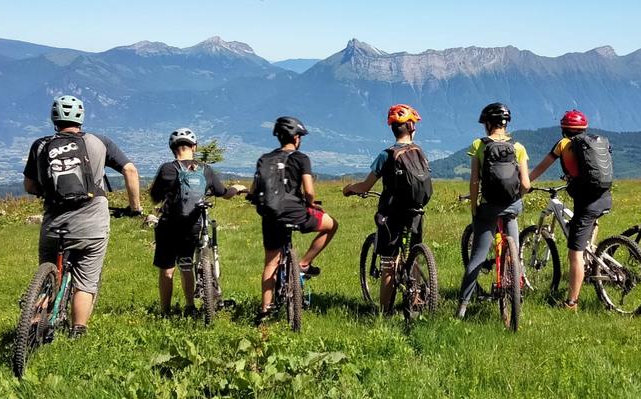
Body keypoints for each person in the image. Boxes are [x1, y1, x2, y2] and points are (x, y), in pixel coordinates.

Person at [22, 95, 142, 338]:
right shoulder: (99, 142)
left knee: (50, 274)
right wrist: (135, 208)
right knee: (86, 279)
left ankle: (33, 326)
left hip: (54, 225)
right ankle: (78, 331)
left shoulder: (40, 145)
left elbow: (29, 186)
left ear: (54, 118)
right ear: (81, 117)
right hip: (92, 224)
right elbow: (130, 170)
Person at [343, 104, 432, 313]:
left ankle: (384, 314)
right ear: (411, 127)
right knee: (413, 256)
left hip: (392, 214)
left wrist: (349, 189)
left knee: (388, 265)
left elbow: (366, 186)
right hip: (416, 211)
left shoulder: (386, 155)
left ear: (392, 128)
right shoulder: (420, 152)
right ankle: (416, 299)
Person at [149, 128, 246, 315]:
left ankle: (165, 311)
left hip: (169, 225)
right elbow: (224, 194)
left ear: (172, 148)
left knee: (167, 269)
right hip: (193, 225)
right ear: (194, 147)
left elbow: (154, 196)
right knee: (186, 265)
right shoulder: (205, 170)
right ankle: (189, 306)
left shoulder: (167, 169)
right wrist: (236, 188)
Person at [250, 116, 338, 319]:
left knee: (270, 263)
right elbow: (309, 191)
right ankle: (304, 264)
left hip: (271, 215)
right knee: (331, 225)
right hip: (297, 213)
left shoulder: (264, 159)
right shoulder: (301, 158)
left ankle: (265, 310)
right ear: (297, 138)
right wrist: (310, 203)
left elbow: (254, 190)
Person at [529, 109, 612, 311]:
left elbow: (543, 165)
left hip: (586, 203)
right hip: (604, 197)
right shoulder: (596, 141)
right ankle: (592, 259)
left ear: (564, 129)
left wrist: (527, 182)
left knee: (574, 254)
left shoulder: (564, 144)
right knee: (588, 228)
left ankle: (571, 303)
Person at [456, 103, 531, 318]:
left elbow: (474, 182)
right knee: (514, 252)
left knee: (478, 256)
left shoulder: (479, 145)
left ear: (488, 124)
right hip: (512, 206)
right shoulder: (518, 147)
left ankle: (462, 308)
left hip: (488, 207)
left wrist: (474, 210)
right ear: (506, 124)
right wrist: (517, 200)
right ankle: (515, 293)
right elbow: (525, 184)